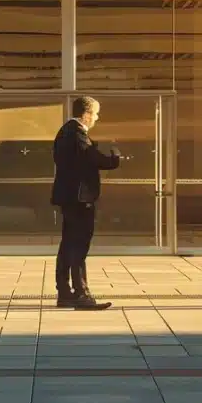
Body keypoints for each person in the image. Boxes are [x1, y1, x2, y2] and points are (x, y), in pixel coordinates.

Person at [51, 96, 121, 310]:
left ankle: (64, 292)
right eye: (96, 114)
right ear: (87, 114)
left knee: (68, 244)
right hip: (79, 198)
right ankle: (81, 293)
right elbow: (93, 159)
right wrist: (114, 159)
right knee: (78, 245)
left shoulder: (64, 132)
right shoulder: (77, 134)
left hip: (70, 197)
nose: (97, 119)